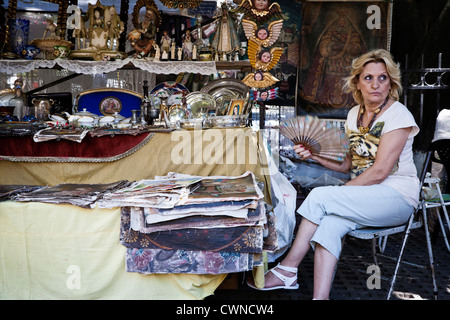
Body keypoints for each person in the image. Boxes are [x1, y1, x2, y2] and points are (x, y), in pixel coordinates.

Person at [247, 49, 420, 299]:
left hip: (396, 197)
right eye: (368, 78)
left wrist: (339, 193)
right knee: (328, 225)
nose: (375, 84)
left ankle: (288, 269)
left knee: (319, 197)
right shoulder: (354, 114)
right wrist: (314, 155)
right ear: (357, 82)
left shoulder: (398, 114)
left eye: (382, 78)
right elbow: (349, 166)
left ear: (391, 82)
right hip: (364, 197)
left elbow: (380, 171)